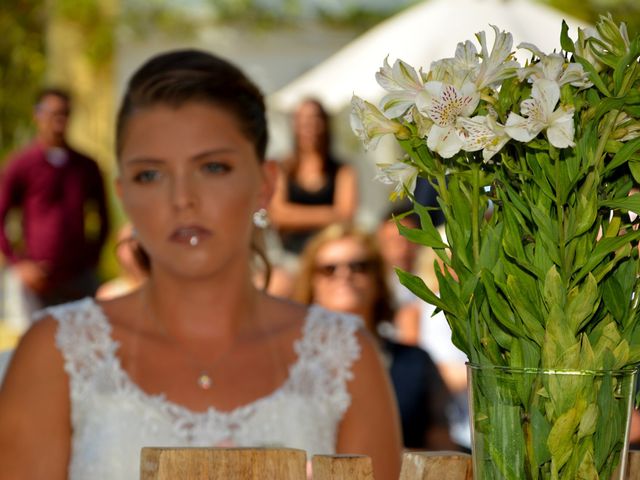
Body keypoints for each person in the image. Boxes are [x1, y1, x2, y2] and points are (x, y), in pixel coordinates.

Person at [0, 50, 402, 480]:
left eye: (212, 167)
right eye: (150, 175)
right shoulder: (55, 354)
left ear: (265, 184)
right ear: (124, 194)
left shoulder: (345, 359)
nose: (182, 199)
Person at [294, 223, 455, 450]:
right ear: (311, 282)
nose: (345, 275)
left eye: (358, 266)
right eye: (329, 269)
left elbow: (442, 448)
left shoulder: (415, 362)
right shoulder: (287, 360)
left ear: (378, 279)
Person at [0, 88, 110, 313]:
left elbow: (103, 216)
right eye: (53, 113)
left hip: (78, 277)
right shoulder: (21, 164)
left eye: (65, 113)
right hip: (38, 279)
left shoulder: (85, 166)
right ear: (37, 115)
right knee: (37, 342)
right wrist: (19, 264)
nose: (59, 120)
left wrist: (92, 259)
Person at [268, 99, 358, 259]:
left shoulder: (342, 169)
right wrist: (329, 214)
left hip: (331, 256)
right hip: (291, 256)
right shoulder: (283, 168)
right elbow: (277, 215)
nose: (309, 126)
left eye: (314, 119)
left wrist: (293, 215)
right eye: (303, 120)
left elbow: (346, 215)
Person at [95, 223, 147, 300]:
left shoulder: (163, 287)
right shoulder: (110, 292)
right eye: (122, 244)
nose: (134, 248)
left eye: (136, 242)